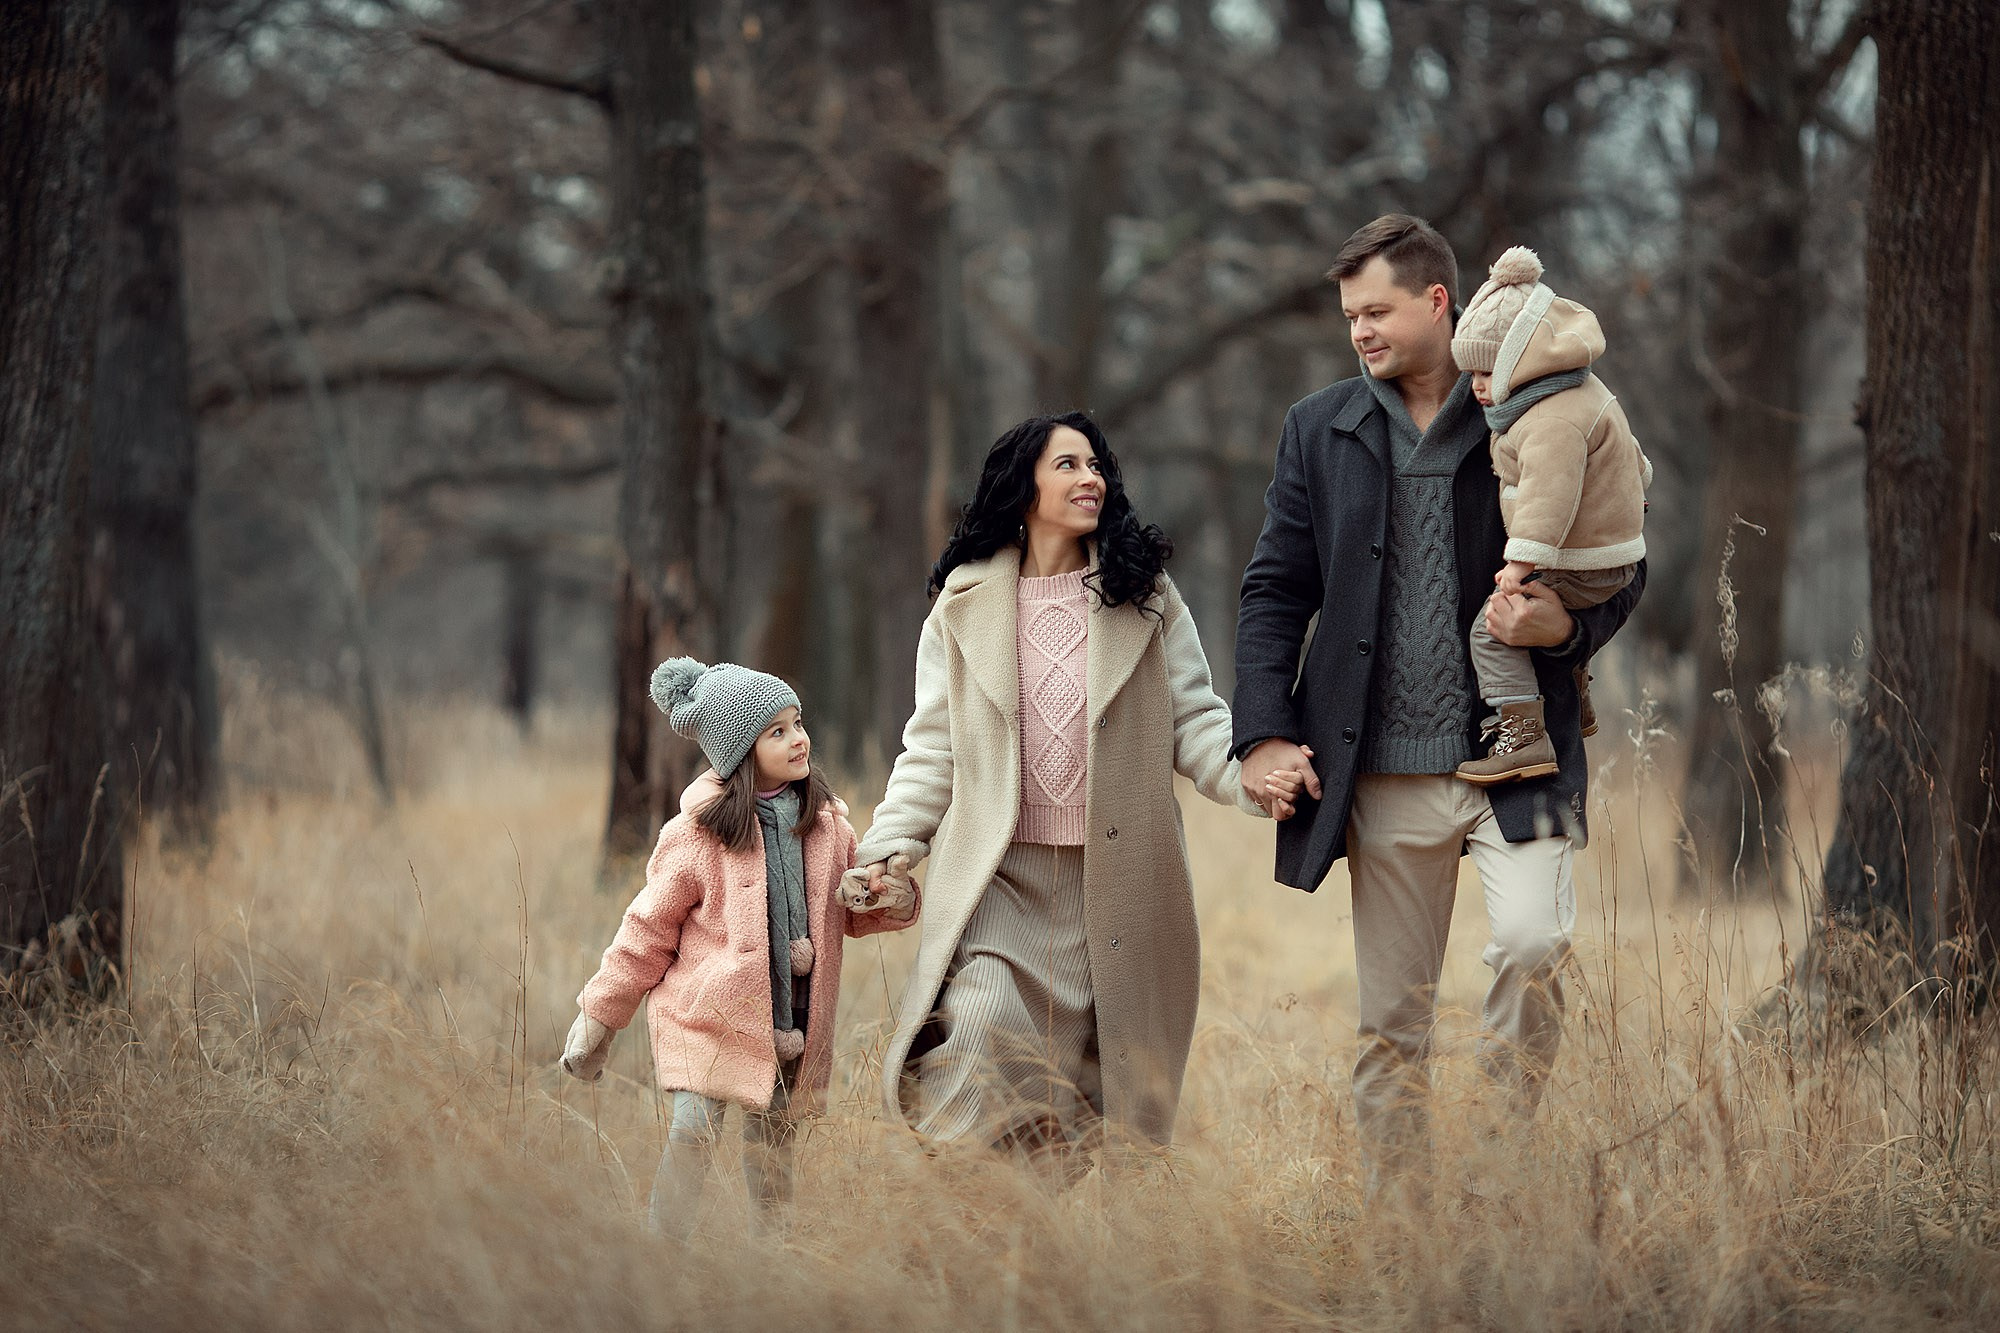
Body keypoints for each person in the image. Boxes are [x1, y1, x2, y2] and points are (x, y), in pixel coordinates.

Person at [1234, 215, 1644, 1194]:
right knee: (1393, 1022)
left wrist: (1568, 633)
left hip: (1517, 749)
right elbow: (1274, 590)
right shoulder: (1317, 426)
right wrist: (1260, 734)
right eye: (1346, 316)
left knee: (1534, 942)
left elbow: (1615, 555)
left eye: (1374, 309)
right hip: (1378, 770)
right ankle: (1399, 1235)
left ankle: (1497, 1178)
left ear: (1435, 300)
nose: (1358, 332)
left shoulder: (1542, 405)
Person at [849, 410, 1286, 1161]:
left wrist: (1256, 777)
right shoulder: (962, 604)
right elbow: (930, 751)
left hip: (1111, 888)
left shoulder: (1145, 598)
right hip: (1001, 886)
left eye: (1096, 466)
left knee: (1085, 1104)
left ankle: (1029, 1255)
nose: (1092, 478)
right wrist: (890, 847)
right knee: (976, 1034)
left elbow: (1197, 724)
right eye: (1069, 465)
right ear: (1024, 487)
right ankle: (956, 1226)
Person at [559, 658, 917, 1236]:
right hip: (707, 1017)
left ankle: (770, 1267)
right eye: (776, 732)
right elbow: (645, 930)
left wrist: (884, 897)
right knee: (693, 1135)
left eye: (798, 723)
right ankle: (661, 1256)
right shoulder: (697, 834)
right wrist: (599, 1017)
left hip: (789, 1023)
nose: (798, 739)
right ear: (740, 751)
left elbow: (852, 910)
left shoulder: (827, 825)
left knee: (772, 1152)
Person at [1450, 246, 1651, 786]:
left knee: (1492, 630)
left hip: (1587, 559)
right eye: (1469, 372)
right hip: (1608, 550)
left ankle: (1521, 736)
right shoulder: (1577, 390)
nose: (1476, 386)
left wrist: (1518, 567)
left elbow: (1547, 498)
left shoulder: (1551, 419)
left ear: (1523, 359)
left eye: (1488, 371)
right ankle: (1576, 689)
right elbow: (1635, 463)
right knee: (1531, 620)